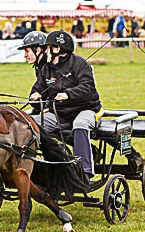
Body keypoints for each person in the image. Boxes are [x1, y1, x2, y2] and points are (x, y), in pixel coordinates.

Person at [29, 30, 101, 179]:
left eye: (47, 48)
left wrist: (68, 94)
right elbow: (38, 90)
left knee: (80, 125)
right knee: (32, 125)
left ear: (57, 49)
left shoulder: (79, 64)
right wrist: (35, 98)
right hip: (60, 114)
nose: (45, 51)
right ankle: (40, 167)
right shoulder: (46, 69)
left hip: (86, 110)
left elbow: (88, 87)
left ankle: (84, 171)